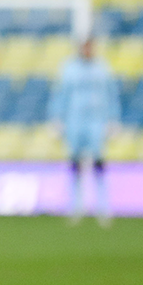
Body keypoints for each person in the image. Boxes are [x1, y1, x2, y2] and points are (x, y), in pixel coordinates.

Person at [49, 37, 120, 226]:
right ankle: (75, 206)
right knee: (75, 162)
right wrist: (57, 118)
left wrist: (113, 119)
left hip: (97, 120)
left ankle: (103, 207)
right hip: (75, 120)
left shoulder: (102, 68)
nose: (87, 50)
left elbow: (112, 94)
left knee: (98, 161)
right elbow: (60, 94)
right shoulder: (69, 68)